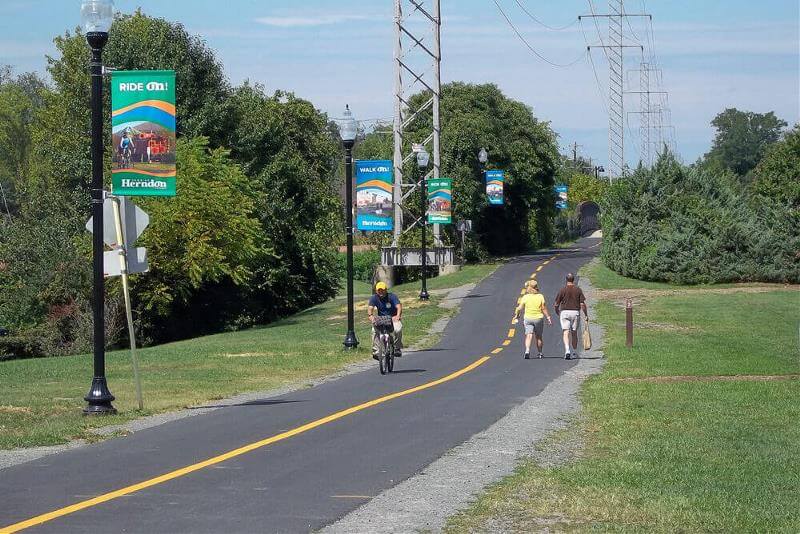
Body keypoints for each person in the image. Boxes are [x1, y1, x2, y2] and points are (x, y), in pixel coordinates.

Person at [513, 280, 552, 359]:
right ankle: (540, 353)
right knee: (538, 336)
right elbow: (543, 308)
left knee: (529, 335)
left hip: (528, 318)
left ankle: (527, 350)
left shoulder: (525, 297)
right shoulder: (540, 296)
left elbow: (519, 308)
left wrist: (517, 316)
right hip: (538, 318)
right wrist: (548, 317)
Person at [554, 273, 588, 360]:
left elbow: (556, 304)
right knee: (574, 333)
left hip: (564, 312)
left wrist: (557, 311)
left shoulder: (562, 290)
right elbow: (582, 304)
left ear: (566, 280)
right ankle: (574, 352)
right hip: (575, 312)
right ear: (573, 280)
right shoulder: (578, 290)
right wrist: (586, 314)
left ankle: (567, 350)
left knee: (566, 332)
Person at [367, 281, 403, 360]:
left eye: (382, 290)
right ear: (376, 291)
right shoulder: (374, 298)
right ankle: (376, 352)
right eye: (379, 290)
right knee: (374, 331)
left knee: (398, 329)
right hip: (381, 319)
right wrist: (371, 316)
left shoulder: (392, 296)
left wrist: (398, 316)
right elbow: (370, 308)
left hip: (393, 318)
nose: (381, 292)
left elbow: (398, 306)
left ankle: (397, 348)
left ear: (386, 290)